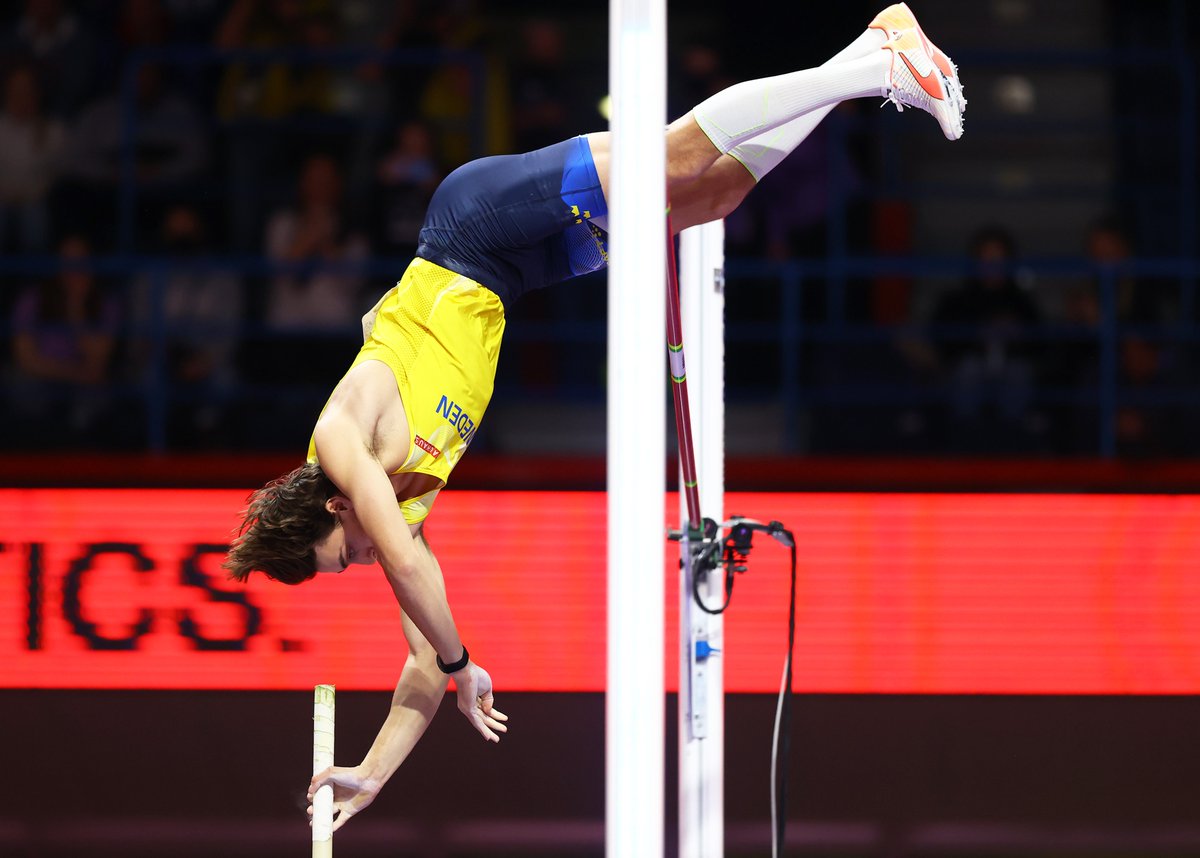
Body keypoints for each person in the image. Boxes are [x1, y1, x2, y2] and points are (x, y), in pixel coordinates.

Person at [222, 3, 966, 832]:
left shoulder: (341, 443)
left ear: (332, 507)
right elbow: (422, 666)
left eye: (342, 554)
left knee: (673, 159)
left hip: (470, 227)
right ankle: (867, 56)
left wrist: (465, 661)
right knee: (708, 196)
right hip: (511, 275)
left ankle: (882, 63)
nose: (363, 557)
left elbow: (410, 580)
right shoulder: (401, 505)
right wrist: (373, 772)